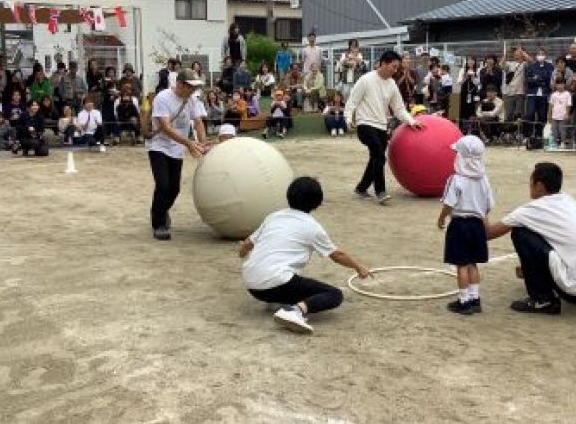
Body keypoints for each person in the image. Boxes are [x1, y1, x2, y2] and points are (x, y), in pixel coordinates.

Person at [239, 176, 371, 334]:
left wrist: (242, 252)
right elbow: (337, 255)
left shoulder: (274, 216)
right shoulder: (311, 227)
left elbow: (247, 244)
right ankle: (294, 311)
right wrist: (358, 267)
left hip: (251, 284)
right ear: (318, 202)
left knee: (292, 283)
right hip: (276, 283)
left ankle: (282, 301)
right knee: (334, 294)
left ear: (289, 195)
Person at [485, 162, 576, 314]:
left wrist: (479, 206)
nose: (529, 186)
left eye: (531, 182)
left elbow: (488, 233)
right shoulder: (567, 200)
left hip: (575, 288)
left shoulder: (532, 210)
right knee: (536, 232)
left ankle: (542, 299)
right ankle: (551, 288)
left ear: (539, 186)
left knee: (520, 233)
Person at [344, 50, 423, 204]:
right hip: (365, 124)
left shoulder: (392, 84)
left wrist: (412, 121)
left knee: (375, 157)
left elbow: (399, 109)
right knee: (379, 156)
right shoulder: (365, 80)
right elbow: (352, 101)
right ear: (383, 63)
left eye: (397, 68)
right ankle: (380, 191)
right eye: (393, 67)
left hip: (381, 126)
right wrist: (348, 118)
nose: (395, 70)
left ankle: (361, 187)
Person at [147, 68, 208, 240]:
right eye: (191, 87)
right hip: (158, 146)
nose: (193, 90)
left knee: (174, 189)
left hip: (177, 148)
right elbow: (165, 127)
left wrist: (202, 143)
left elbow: (198, 123)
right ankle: (158, 224)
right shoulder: (163, 98)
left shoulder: (192, 100)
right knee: (163, 184)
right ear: (180, 84)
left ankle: (160, 210)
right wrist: (189, 143)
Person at [436, 135, 494, 315]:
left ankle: (464, 301)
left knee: (461, 264)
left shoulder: (456, 179)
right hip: (477, 225)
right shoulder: (484, 179)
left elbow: (449, 203)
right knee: (472, 263)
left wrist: (441, 218)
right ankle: (475, 298)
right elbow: (488, 205)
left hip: (460, 225)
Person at [523, 48, 553, 139]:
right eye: (539, 53)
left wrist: (537, 78)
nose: (541, 55)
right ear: (536, 55)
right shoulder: (531, 66)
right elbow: (528, 80)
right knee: (530, 114)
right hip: (532, 94)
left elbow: (549, 78)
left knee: (542, 115)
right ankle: (528, 135)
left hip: (544, 94)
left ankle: (539, 135)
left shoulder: (550, 66)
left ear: (545, 55)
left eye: (542, 53)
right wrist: (537, 79)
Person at [548, 77, 572, 148]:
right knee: (554, 129)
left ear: (564, 85)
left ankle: (563, 142)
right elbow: (551, 105)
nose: (559, 86)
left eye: (561, 84)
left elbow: (568, 105)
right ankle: (555, 142)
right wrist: (549, 114)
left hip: (563, 115)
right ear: (555, 85)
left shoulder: (567, 94)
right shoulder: (553, 94)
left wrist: (567, 113)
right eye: (558, 84)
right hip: (554, 115)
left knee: (562, 130)